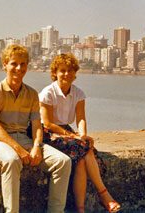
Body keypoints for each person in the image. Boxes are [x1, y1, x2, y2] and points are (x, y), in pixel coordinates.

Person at [0, 45, 72, 213]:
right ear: (5, 65)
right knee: (12, 160)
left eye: (23, 64)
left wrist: (37, 147)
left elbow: (37, 126)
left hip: (24, 139)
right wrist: (18, 149)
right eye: (14, 64)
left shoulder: (32, 94)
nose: (19, 68)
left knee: (63, 162)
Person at [39, 54, 121, 213]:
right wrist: (74, 136)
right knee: (83, 149)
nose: (66, 74)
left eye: (70, 71)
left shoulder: (78, 94)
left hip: (67, 132)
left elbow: (81, 119)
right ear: (55, 72)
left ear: (75, 73)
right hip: (49, 133)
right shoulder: (48, 93)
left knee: (82, 157)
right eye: (62, 70)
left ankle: (80, 209)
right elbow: (48, 123)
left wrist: (81, 135)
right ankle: (104, 195)